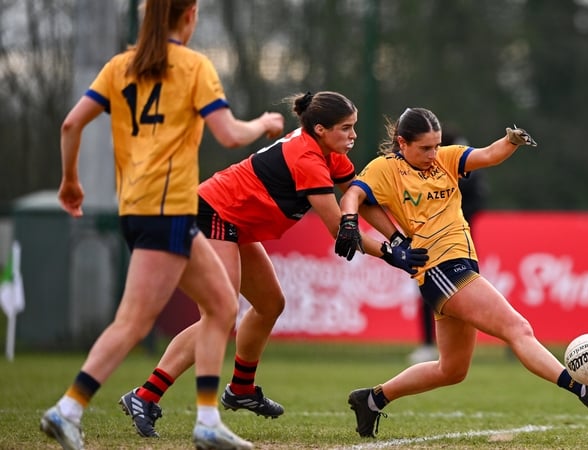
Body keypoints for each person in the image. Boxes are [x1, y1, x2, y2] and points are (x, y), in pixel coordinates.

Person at [39, 2, 285, 449]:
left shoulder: (119, 66)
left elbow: (71, 123)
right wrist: (264, 123)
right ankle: (68, 408)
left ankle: (208, 420)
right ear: (188, 16)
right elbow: (229, 134)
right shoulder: (193, 66)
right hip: (167, 208)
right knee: (134, 321)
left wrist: (70, 181)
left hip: (136, 207)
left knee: (221, 306)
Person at [117, 91, 428, 439]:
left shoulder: (332, 155)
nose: (353, 135)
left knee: (269, 304)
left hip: (238, 225)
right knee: (219, 314)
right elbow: (339, 228)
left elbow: (361, 204)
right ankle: (144, 395)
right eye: (345, 128)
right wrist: (390, 254)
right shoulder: (308, 158)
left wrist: (400, 239)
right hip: (213, 214)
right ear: (321, 129)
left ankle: (242, 389)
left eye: (354, 127)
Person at [335, 108, 588, 438]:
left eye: (437, 145)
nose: (433, 154)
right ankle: (581, 389)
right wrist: (349, 222)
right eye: (425, 148)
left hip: (457, 267)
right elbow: (354, 194)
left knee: (451, 370)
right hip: (439, 268)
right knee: (518, 328)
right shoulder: (387, 170)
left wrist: (510, 141)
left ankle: (371, 400)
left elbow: (487, 155)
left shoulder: (446, 158)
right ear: (402, 143)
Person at [407, 128, 487, 364]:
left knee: (463, 295)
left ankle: (453, 348)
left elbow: (479, 197)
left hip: (459, 241)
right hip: (428, 244)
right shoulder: (425, 170)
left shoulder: (461, 168)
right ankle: (428, 345)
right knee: (427, 293)